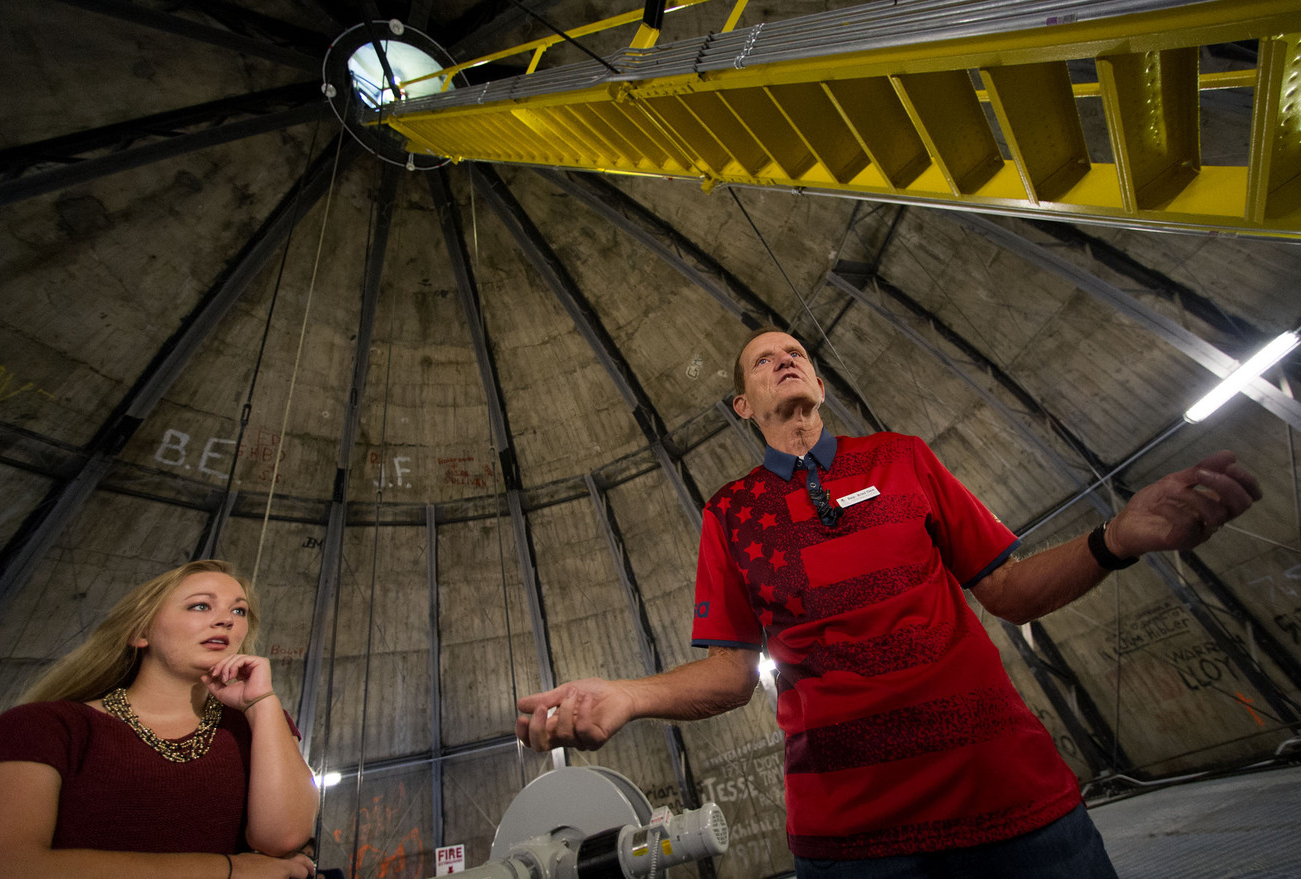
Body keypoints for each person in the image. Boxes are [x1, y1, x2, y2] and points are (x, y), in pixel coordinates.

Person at [516, 328, 1263, 878]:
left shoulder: (903, 457)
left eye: (796, 351)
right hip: (853, 845)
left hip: (1015, 805)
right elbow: (732, 674)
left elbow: (1006, 590)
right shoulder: (730, 514)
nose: (787, 357)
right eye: (765, 358)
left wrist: (1115, 538)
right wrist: (627, 694)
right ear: (744, 403)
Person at [0, 559, 319, 879]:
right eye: (201, 605)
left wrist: (261, 702)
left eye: (239, 611)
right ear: (140, 633)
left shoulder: (260, 724)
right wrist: (229, 870)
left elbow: (283, 838)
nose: (227, 620)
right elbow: (0, 866)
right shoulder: (44, 727)